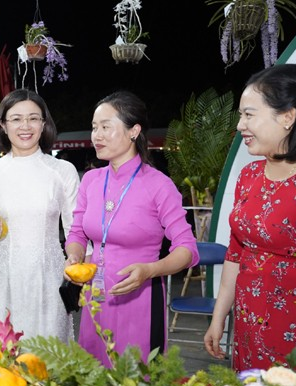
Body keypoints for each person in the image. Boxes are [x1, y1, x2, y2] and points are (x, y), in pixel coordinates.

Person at [65, 90, 198, 366]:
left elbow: (187, 250)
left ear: (134, 131)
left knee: (135, 383)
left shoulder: (158, 185)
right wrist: (75, 256)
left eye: (105, 127)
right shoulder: (91, 180)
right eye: (94, 128)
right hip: (95, 298)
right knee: (92, 380)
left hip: (140, 298)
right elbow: (77, 233)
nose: (96, 135)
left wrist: (150, 270)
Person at [204, 64, 296, 371]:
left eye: (249, 114)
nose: (240, 125)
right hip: (248, 324)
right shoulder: (248, 175)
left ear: (287, 117)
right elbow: (237, 251)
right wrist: (219, 317)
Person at [0, 89, 80, 341]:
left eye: (33, 118)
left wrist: (77, 264)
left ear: (44, 124)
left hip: (49, 281)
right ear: (3, 125)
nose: (25, 126)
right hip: (3, 280)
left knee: (49, 359)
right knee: (1, 362)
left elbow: (77, 229)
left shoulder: (62, 171)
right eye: (16, 119)